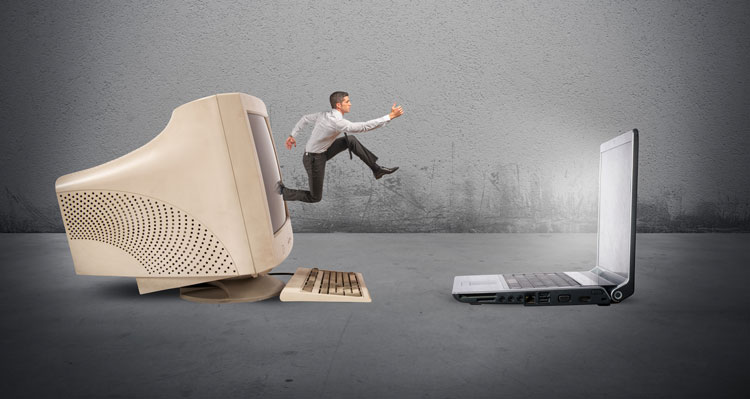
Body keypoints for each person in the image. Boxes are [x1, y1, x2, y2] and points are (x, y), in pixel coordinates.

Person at [277, 91, 404, 203]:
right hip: (313, 160)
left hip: (322, 152)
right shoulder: (337, 122)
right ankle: (284, 192)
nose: (350, 104)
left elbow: (305, 118)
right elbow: (364, 127)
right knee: (315, 197)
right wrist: (390, 116)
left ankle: (376, 169)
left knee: (351, 140)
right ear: (339, 105)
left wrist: (292, 135)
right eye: (347, 101)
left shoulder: (324, 114)